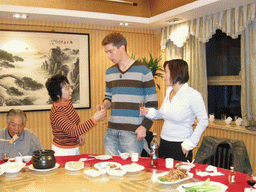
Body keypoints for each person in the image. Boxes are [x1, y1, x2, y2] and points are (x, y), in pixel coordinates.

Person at [98, 32, 158, 156]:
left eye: (111, 51)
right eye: (106, 52)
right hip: (111, 132)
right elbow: (108, 97)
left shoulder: (144, 71)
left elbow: (153, 104)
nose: (109, 56)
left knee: (132, 172)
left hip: (133, 133)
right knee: (111, 169)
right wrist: (104, 106)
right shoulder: (109, 72)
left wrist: (144, 127)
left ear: (122, 48)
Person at [140, 59, 208, 161]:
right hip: (164, 142)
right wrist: (148, 112)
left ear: (176, 72)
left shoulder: (192, 95)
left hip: (181, 145)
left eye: (166, 72)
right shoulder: (169, 93)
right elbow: (165, 114)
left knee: (178, 176)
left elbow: (204, 121)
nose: (164, 75)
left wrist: (190, 143)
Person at [45, 74, 106, 156]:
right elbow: (73, 131)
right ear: (57, 94)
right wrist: (95, 118)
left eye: (69, 87)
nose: (71, 90)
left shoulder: (67, 103)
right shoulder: (57, 112)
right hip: (63, 151)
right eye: (67, 88)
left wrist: (78, 135)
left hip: (74, 148)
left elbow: (73, 125)